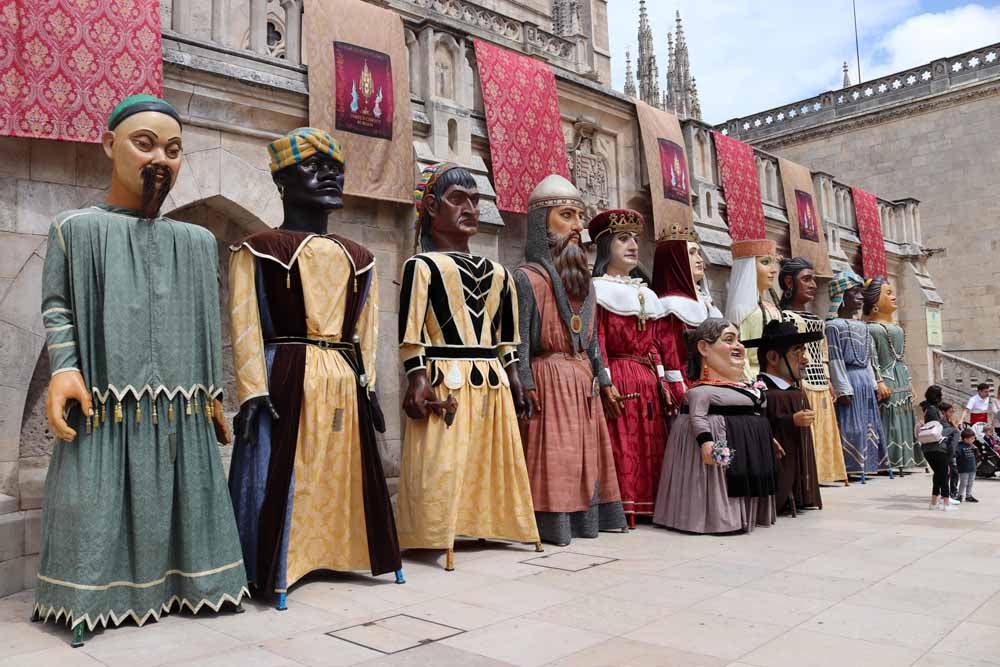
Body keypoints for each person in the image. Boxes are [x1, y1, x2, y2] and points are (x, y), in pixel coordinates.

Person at [35, 96, 248, 646]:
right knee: (94, 498)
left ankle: (192, 586)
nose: (161, 160)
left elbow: (209, 323)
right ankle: (89, 598)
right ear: (109, 145)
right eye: (144, 143)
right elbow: (56, 304)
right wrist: (65, 369)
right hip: (104, 405)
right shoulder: (74, 229)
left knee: (187, 497)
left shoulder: (198, 242)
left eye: (174, 150)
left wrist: (214, 401)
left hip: (181, 411)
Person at [227, 128, 402, 608]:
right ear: (282, 179)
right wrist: (251, 391)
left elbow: (367, 333)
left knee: (341, 470)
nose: (330, 176)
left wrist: (369, 391)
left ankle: (342, 550)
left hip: (343, 379)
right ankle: (280, 563)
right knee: (285, 472)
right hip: (285, 373)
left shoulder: (361, 258)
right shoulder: (259, 248)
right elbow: (244, 323)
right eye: (313, 166)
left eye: (336, 168)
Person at [396, 163, 540, 570]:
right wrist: (417, 376)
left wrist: (516, 379)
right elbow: (410, 330)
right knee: (441, 460)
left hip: (490, 378)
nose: (470, 209)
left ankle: (483, 522)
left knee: (490, 455)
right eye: (458, 199)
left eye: (476, 201)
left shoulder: (500, 273)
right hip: (446, 376)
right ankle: (432, 530)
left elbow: (506, 338)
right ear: (431, 206)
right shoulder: (420, 266)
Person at [514, 175, 627, 546]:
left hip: (584, 383)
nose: (578, 227)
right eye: (567, 216)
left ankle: (586, 521)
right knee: (557, 460)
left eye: (579, 216)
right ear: (541, 223)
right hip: (549, 381)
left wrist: (605, 381)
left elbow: (592, 341)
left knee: (584, 458)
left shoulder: (586, 284)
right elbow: (520, 343)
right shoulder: (526, 278)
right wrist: (526, 382)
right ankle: (552, 524)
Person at [653, 318, 778, 534]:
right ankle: (717, 518)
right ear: (703, 348)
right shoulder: (700, 392)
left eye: (739, 340)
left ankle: (748, 515)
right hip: (717, 440)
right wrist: (706, 442)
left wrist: (768, 439)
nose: (738, 346)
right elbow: (698, 417)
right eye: (729, 340)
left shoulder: (749, 388)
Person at [590, 209, 671, 528]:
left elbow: (654, 345)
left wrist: (663, 382)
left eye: (635, 239)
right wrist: (605, 382)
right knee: (622, 443)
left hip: (647, 381)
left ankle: (649, 503)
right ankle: (622, 505)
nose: (633, 245)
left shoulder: (647, 294)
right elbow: (597, 341)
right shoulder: (597, 290)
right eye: (623, 239)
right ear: (605, 245)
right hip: (619, 377)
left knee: (650, 443)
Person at [779, 257, 848, 486]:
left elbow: (823, 352)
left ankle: (825, 471)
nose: (812, 285)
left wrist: (828, 379)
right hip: (801, 382)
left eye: (814, 280)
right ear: (789, 282)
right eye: (806, 279)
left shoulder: (817, 320)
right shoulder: (785, 317)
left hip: (819, 381)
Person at [748, 320, 825, 513]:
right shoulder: (761, 393)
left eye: (804, 352)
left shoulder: (795, 392)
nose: (805, 359)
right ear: (773, 357)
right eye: (797, 352)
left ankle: (802, 492)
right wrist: (790, 421)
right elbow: (758, 431)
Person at [825, 271, 887, 480]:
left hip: (864, 381)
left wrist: (874, 383)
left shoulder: (863, 326)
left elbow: (868, 359)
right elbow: (835, 359)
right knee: (851, 426)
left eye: (861, 293)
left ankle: (867, 465)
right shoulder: (833, 326)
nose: (861, 297)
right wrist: (843, 388)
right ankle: (850, 466)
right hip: (849, 380)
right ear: (841, 296)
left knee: (868, 425)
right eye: (855, 293)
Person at [651, 233, 720, 405]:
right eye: (692, 253)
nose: (699, 259)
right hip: (687, 382)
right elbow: (670, 355)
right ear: (676, 260)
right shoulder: (671, 306)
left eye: (699, 253)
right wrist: (678, 390)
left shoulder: (706, 301)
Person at [863, 277, 923, 473]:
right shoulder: (871, 328)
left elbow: (901, 358)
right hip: (886, 379)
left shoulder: (895, 328)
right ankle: (887, 459)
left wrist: (911, 381)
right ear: (874, 302)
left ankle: (906, 458)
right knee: (889, 420)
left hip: (901, 377)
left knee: (905, 418)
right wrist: (878, 380)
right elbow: (873, 358)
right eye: (888, 293)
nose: (894, 297)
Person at [725, 239, 782, 380]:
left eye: (773, 263)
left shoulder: (773, 306)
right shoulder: (741, 310)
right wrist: (754, 385)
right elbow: (739, 353)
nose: (774, 270)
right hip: (756, 380)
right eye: (765, 262)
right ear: (748, 268)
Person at [956, 428, 980, 503]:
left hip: (972, 468)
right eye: (972, 438)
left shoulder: (972, 446)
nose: (973, 440)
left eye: (974, 438)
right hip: (964, 468)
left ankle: (968, 496)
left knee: (970, 482)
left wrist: (976, 449)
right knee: (963, 483)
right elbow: (956, 456)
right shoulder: (959, 446)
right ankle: (960, 496)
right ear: (965, 439)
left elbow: (977, 456)